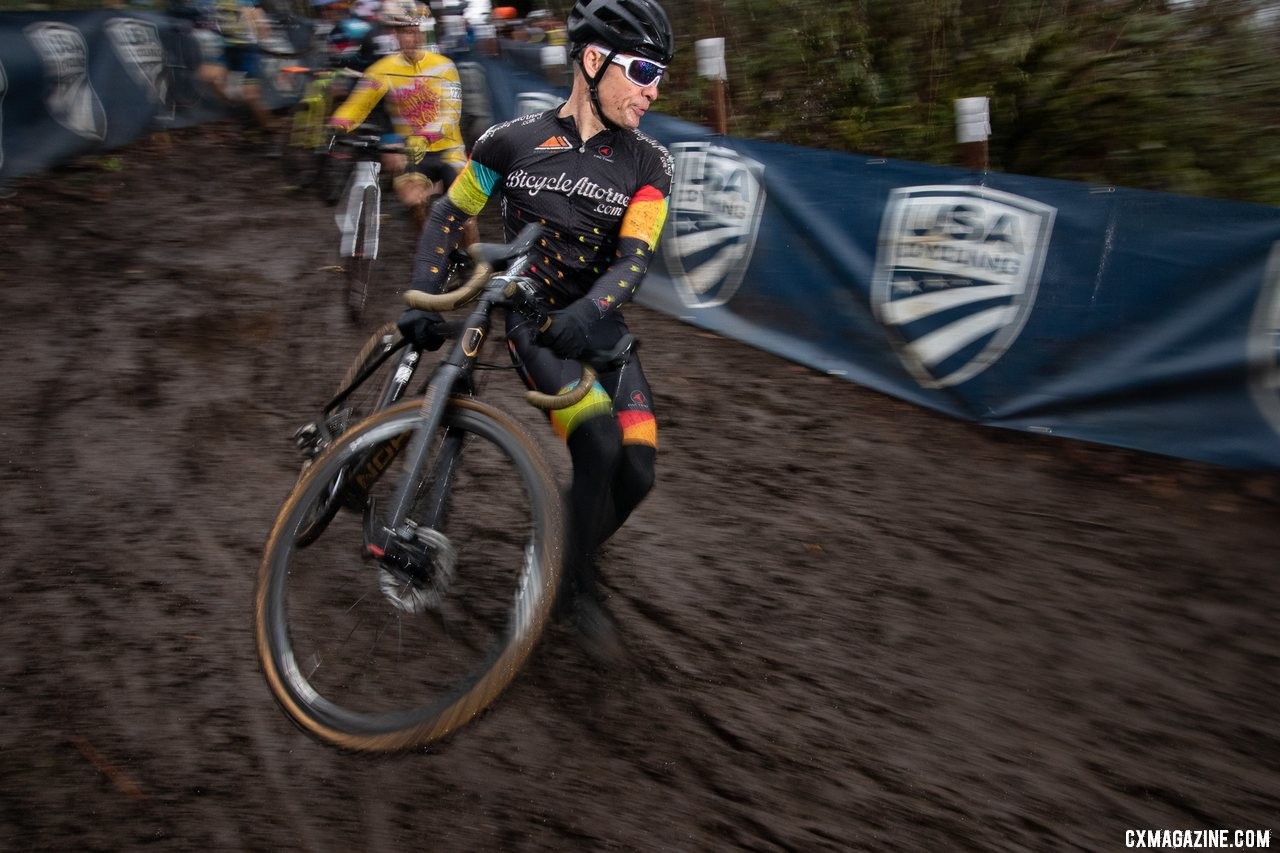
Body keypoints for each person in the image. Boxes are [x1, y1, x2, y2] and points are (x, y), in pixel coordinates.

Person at [401, 0, 675, 659]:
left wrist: (590, 314)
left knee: (637, 472)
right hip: (533, 320)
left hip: (599, 321)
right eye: (642, 69)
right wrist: (425, 297)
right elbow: (448, 214)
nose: (654, 88)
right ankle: (574, 588)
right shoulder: (509, 142)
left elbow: (635, 257)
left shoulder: (649, 163)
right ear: (592, 60)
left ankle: (561, 548)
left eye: (660, 73)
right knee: (598, 440)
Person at [326, 0, 476, 236]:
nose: (413, 38)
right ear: (395, 35)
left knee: (465, 217)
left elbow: (451, 113)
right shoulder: (382, 69)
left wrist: (426, 136)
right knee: (414, 203)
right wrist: (340, 124)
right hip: (410, 152)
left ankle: (481, 268)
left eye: (417, 31)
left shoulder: (444, 66)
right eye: (406, 32)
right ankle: (429, 252)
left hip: (449, 149)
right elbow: (359, 103)